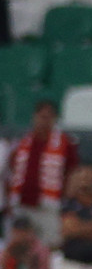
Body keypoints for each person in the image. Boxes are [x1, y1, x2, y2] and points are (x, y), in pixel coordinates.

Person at [6, 99, 80, 244]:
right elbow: (12, 171)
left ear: (55, 119)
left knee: (50, 243)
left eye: (49, 117)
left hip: (48, 203)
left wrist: (66, 197)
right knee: (18, 244)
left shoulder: (64, 143)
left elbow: (72, 171)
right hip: (21, 202)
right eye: (41, 116)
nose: (44, 121)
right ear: (34, 117)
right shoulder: (22, 142)